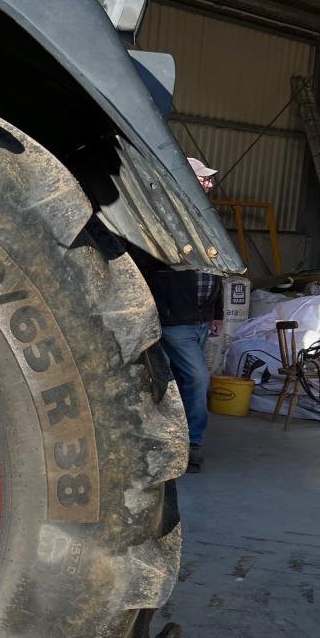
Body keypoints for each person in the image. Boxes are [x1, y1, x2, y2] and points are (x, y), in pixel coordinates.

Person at [137, 157, 223, 474]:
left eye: (209, 179)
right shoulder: (165, 219)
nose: (209, 184)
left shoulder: (208, 220)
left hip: (200, 319)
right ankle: (192, 445)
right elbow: (145, 263)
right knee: (197, 379)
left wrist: (217, 313)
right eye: (203, 179)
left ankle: (174, 440)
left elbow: (220, 269)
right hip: (177, 320)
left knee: (181, 380)